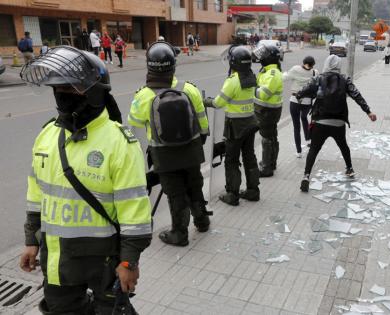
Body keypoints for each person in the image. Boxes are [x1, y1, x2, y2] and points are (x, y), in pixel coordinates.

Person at [19, 46, 152, 314]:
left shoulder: (119, 142)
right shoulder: (47, 136)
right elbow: (36, 195)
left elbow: (134, 212)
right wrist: (31, 240)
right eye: (59, 89)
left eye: (72, 89)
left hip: (103, 260)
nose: (63, 95)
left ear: (95, 92)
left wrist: (129, 263)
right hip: (58, 258)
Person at [128, 41, 210, 246]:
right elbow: (203, 122)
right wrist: (200, 140)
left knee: (175, 193)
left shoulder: (144, 95)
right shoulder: (188, 88)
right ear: (173, 65)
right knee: (194, 186)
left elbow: (135, 123)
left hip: (163, 154)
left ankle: (179, 234)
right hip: (191, 149)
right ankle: (202, 221)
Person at [296, 55, 377, 192]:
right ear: (339, 66)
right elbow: (356, 95)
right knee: (343, 145)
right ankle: (350, 169)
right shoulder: (345, 80)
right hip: (338, 122)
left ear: (326, 64)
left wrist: (298, 95)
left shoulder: (318, 78)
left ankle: (306, 176)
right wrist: (368, 112)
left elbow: (306, 90)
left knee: (314, 149)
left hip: (320, 121)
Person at [204, 46, 260, 206]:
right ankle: (253, 191)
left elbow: (217, 103)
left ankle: (232, 194)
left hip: (235, 127)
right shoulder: (251, 76)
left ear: (233, 62)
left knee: (232, 160)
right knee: (250, 158)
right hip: (250, 123)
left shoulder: (233, 81)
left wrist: (204, 101)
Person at [253, 44, 284, 177]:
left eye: (264, 55)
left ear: (269, 58)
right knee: (271, 136)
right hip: (267, 109)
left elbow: (265, 93)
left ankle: (266, 167)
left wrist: (251, 90)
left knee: (266, 138)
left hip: (267, 110)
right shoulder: (267, 70)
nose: (261, 57)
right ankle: (271, 162)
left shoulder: (272, 73)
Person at [283, 56, 318, 158]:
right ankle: (308, 139)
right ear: (313, 64)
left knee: (296, 126)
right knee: (304, 117)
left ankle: (299, 152)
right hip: (307, 102)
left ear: (303, 62)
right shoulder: (315, 72)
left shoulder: (295, 69)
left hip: (295, 101)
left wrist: (285, 73)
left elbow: (284, 78)